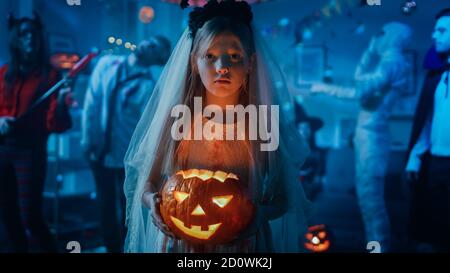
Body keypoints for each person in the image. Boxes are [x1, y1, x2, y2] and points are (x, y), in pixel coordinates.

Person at [123, 0, 311, 253]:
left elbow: (283, 197)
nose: (222, 67)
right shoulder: (178, 118)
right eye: (210, 56)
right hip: (182, 244)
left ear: (250, 63)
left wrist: (257, 216)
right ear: (193, 62)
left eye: (234, 57)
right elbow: (149, 182)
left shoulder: (262, 122)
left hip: (242, 244)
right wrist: (153, 202)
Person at [81, 35, 171, 253]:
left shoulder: (149, 86)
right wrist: (87, 138)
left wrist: (142, 160)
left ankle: (125, 248)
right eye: (150, 41)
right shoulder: (106, 64)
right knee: (104, 204)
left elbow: (145, 127)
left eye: (155, 48)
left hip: (126, 157)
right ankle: (110, 246)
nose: (148, 45)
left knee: (126, 208)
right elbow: (91, 102)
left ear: (157, 59)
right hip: (99, 150)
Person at [0, 13, 72, 252]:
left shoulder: (50, 76)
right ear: (16, 40)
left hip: (30, 152)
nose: (29, 37)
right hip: (2, 149)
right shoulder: (4, 73)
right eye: (24, 34)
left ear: (40, 39)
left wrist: (61, 102)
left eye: (33, 33)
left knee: (31, 216)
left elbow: (57, 125)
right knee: (7, 214)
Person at [352, 22, 412, 253]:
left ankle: (379, 248)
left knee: (371, 203)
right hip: (368, 135)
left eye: (380, 33)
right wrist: (369, 49)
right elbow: (360, 78)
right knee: (368, 201)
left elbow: (359, 91)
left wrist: (322, 88)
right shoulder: (392, 62)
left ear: (390, 37)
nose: (377, 36)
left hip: (372, 137)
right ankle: (377, 247)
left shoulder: (392, 63)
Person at [405, 8, 450, 252]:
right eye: (435, 29)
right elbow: (427, 121)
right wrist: (415, 155)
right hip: (434, 164)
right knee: (431, 234)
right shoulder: (437, 76)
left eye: (442, 30)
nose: (434, 35)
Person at [294, 102, 325, 201]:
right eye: (301, 128)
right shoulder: (289, 151)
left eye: (307, 127)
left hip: (311, 192)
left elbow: (320, 174)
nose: (305, 131)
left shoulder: (318, 153)